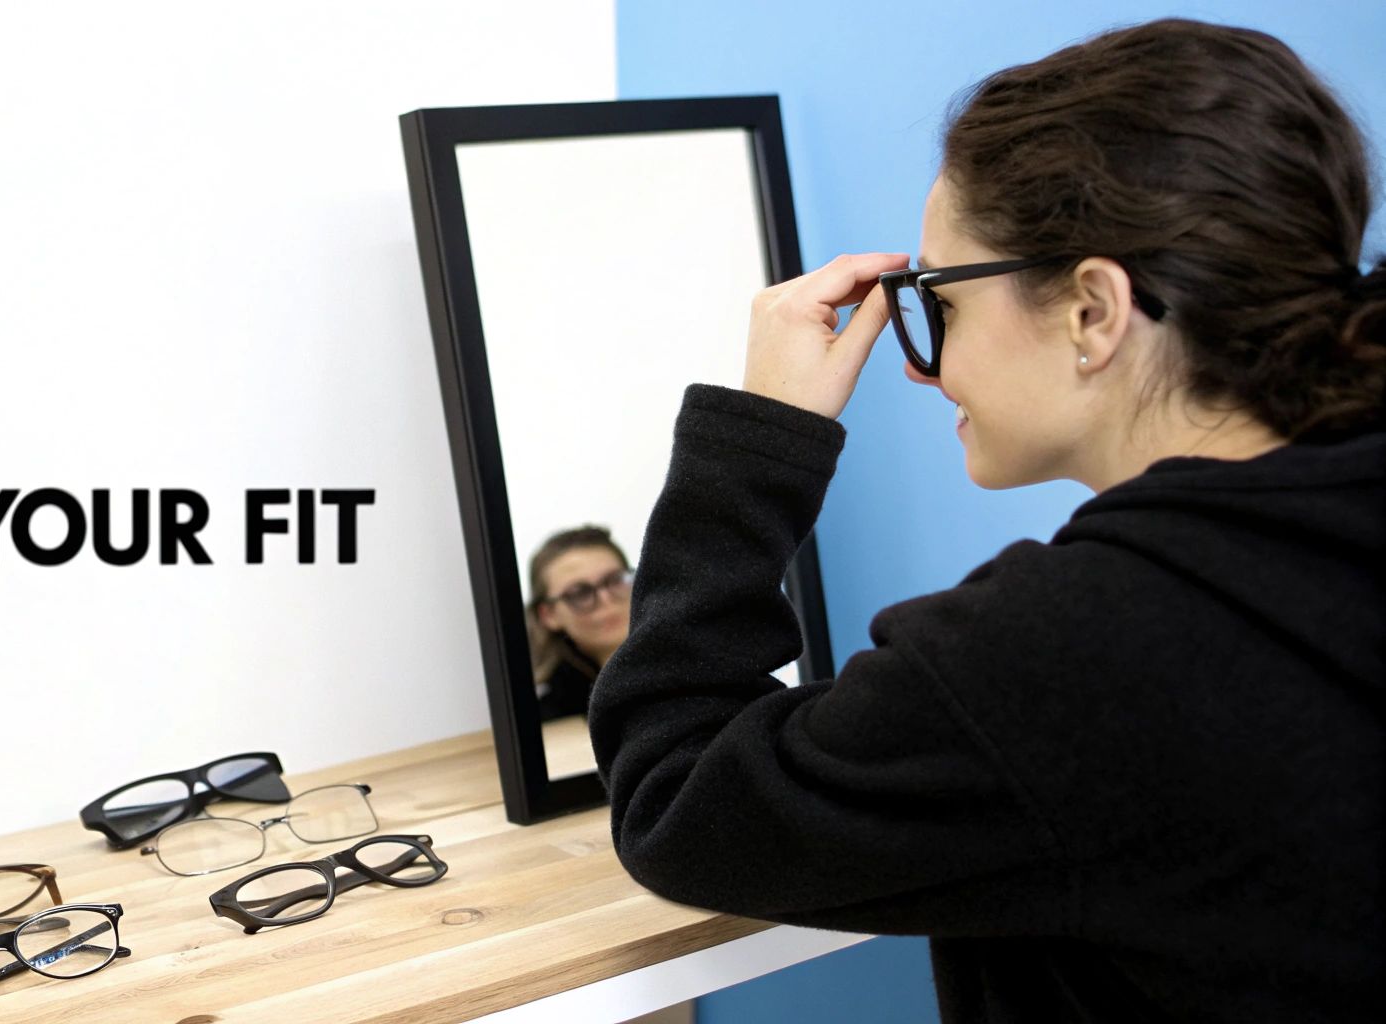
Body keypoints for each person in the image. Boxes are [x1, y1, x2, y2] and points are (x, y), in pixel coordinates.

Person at [589, 18, 1384, 1023]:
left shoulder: (1076, 650)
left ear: (1092, 310)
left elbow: (677, 806)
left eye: (939, 300)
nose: (927, 364)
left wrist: (753, 442)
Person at [526, 525, 634, 720]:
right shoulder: (545, 713)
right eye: (579, 593)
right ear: (548, 615)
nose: (605, 600)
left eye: (615, 580)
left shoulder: (695, 658)